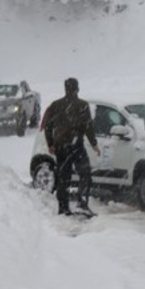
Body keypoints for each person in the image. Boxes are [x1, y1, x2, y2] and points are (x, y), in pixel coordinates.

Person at [43, 77, 100, 216]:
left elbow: (47, 126)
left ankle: (63, 208)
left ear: (65, 89)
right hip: (77, 146)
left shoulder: (55, 105)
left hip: (61, 147)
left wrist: (50, 144)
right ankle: (82, 204)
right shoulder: (82, 105)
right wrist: (94, 144)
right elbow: (88, 127)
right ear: (77, 89)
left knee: (63, 177)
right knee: (85, 174)